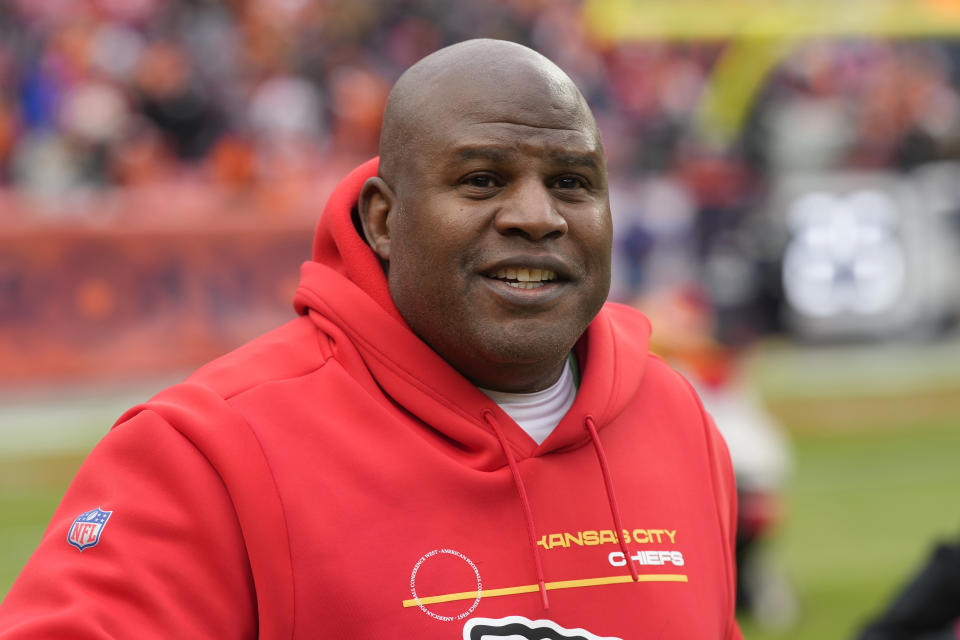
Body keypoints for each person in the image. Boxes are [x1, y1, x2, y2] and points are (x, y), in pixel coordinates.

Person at [0, 39, 742, 639]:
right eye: (482, 180)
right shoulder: (210, 449)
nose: (537, 216)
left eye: (573, 183)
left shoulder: (675, 416)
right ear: (385, 220)